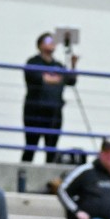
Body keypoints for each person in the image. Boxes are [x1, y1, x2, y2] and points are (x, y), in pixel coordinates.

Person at [22, 32, 77, 163]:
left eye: (53, 41)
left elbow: (71, 80)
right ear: (39, 45)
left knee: (51, 148)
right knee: (31, 146)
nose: (52, 42)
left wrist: (73, 65)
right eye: (48, 40)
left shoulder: (58, 65)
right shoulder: (33, 62)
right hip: (34, 111)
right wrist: (55, 78)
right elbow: (38, 78)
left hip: (54, 112)